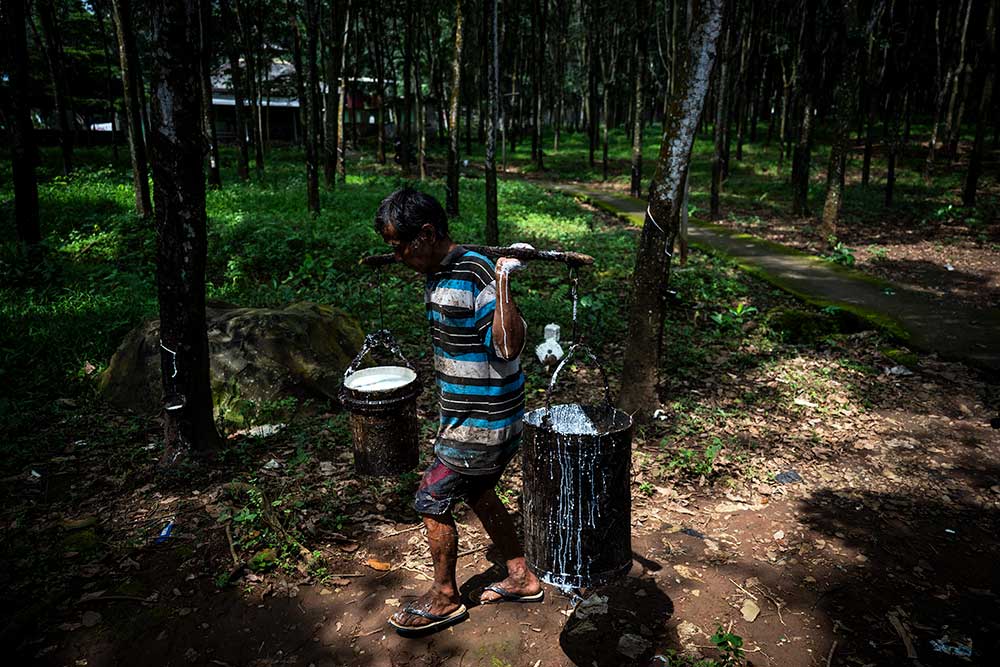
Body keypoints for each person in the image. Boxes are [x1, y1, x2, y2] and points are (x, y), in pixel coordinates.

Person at [374, 188, 542, 636]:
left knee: (431, 498)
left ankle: (446, 597)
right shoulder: (439, 270)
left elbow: (507, 347)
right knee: (479, 493)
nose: (397, 257)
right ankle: (521, 576)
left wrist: (503, 281)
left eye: (399, 247)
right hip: (472, 417)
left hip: (483, 423)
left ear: (426, 234)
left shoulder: (474, 274)